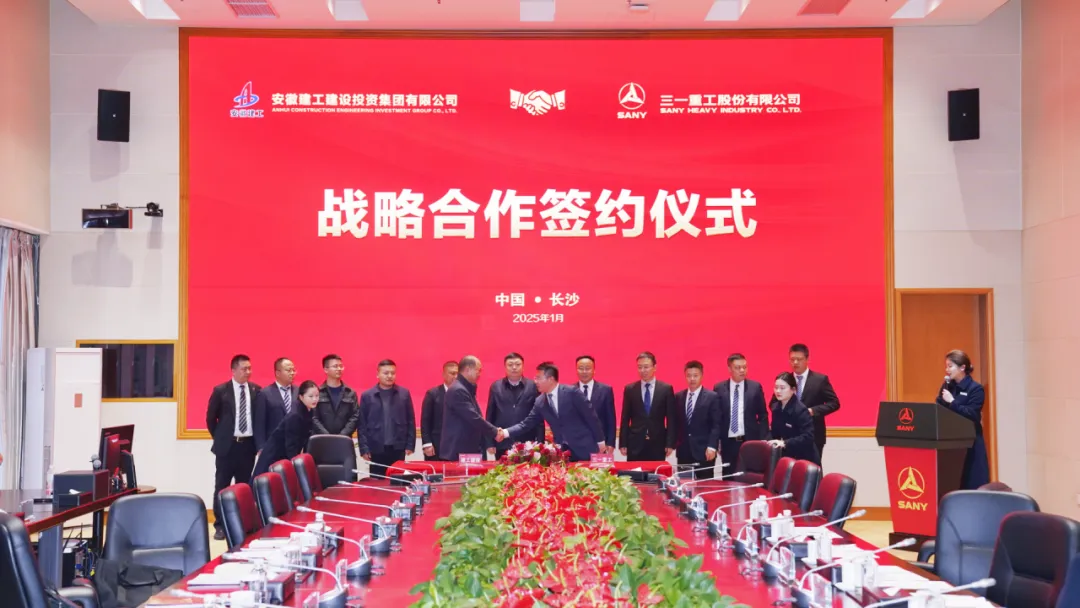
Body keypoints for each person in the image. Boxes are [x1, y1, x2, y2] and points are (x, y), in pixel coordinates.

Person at [206, 354, 262, 541]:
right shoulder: (221, 391)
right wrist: (220, 438)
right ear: (234, 370)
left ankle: (243, 524)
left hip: (247, 446)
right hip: (227, 447)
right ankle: (220, 525)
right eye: (244, 369)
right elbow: (210, 418)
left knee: (243, 487)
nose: (248, 372)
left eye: (249, 368)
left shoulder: (256, 390)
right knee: (222, 485)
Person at [504, 362, 605, 462]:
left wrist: (600, 441)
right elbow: (526, 424)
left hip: (586, 448)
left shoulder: (572, 392)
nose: (535, 381)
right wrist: (505, 432)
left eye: (538, 378)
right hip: (563, 453)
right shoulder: (540, 401)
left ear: (551, 379)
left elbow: (591, 417)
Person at [936, 350, 990, 490]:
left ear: (962, 367)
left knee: (971, 483)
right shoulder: (947, 386)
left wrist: (952, 402)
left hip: (970, 443)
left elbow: (972, 414)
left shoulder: (976, 389)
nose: (947, 370)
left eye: (950, 366)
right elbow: (938, 408)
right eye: (946, 366)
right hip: (950, 442)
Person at [251, 380, 321, 479]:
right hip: (275, 455)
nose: (315, 399)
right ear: (301, 397)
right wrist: (295, 465)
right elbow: (291, 445)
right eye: (311, 396)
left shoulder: (309, 411)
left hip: (285, 455)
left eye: (317, 396)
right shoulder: (295, 415)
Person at [440, 356, 504, 461]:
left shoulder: (465, 388)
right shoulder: (458, 390)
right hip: (458, 449)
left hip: (466, 447)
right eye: (478, 370)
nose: (479, 374)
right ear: (468, 369)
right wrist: (495, 432)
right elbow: (473, 417)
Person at [714, 353, 771, 471]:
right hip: (728, 443)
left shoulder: (755, 387)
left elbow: (763, 415)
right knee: (729, 476)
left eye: (744, 367)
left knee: (750, 475)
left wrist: (763, 439)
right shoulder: (719, 388)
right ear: (729, 369)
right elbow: (717, 417)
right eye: (738, 367)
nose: (742, 370)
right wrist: (717, 441)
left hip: (749, 441)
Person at [359, 359, 416, 476]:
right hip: (376, 448)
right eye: (386, 373)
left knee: (398, 480)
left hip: (398, 447)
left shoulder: (404, 394)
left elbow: (410, 420)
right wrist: (364, 448)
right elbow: (362, 424)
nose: (390, 376)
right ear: (378, 374)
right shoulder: (367, 396)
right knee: (376, 482)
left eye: (393, 373)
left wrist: (410, 444)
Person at [619, 351, 677, 461]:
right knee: (634, 471)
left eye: (646, 367)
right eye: (639, 367)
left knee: (656, 471)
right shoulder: (630, 389)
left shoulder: (666, 389)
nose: (643, 370)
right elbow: (625, 418)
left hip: (658, 442)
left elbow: (671, 418)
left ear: (654, 367)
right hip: (635, 443)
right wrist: (623, 443)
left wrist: (670, 443)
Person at [789, 344, 840, 461]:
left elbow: (834, 403)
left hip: (814, 435)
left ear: (807, 359)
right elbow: (774, 404)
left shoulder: (820, 380)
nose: (795, 362)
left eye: (799, 359)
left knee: (812, 469)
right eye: (792, 359)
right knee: (790, 469)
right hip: (790, 436)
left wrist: (813, 411)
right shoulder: (785, 379)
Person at [485, 353, 541, 459]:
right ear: (505, 367)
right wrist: (489, 443)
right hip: (502, 442)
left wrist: (540, 442)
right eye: (510, 365)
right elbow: (490, 416)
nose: (514, 367)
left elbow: (539, 417)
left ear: (523, 367)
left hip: (527, 443)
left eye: (517, 364)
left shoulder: (532, 386)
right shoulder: (496, 387)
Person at [674, 361, 721, 479]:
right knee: (684, 484)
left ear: (702, 376)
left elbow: (716, 424)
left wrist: (712, 446)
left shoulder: (712, 397)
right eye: (689, 376)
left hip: (705, 451)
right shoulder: (679, 397)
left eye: (695, 375)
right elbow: (676, 423)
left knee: (705, 485)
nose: (692, 379)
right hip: (684, 451)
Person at [768, 372, 819, 465]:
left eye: (782, 388)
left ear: (793, 390)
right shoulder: (776, 408)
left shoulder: (800, 410)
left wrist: (785, 443)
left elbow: (808, 437)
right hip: (787, 456)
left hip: (805, 458)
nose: (778, 391)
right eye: (776, 387)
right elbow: (775, 433)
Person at [312, 354, 362, 439]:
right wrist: (327, 436)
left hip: (344, 440)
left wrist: (342, 436)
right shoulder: (317, 392)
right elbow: (314, 417)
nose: (339, 369)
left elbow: (355, 416)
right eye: (335, 366)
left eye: (341, 366)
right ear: (326, 369)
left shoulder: (350, 393)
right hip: (321, 440)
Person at [253, 358, 298, 453]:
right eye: (288, 370)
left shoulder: (299, 392)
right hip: (273, 446)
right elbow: (259, 424)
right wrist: (261, 447)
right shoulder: (265, 394)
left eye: (293, 370)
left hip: (295, 446)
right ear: (278, 373)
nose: (292, 373)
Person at [576, 355, 616, 453]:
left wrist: (611, 443)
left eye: (588, 368)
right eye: (581, 368)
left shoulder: (605, 390)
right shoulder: (569, 391)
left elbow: (610, 419)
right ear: (576, 370)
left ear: (594, 370)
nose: (584, 372)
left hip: (600, 444)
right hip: (576, 444)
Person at [420, 361, 458, 460]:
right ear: (444, 375)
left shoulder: (464, 394)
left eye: (458, 374)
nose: (455, 377)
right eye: (452, 373)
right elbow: (425, 421)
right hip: (436, 445)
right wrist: (427, 443)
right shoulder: (433, 394)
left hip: (458, 445)